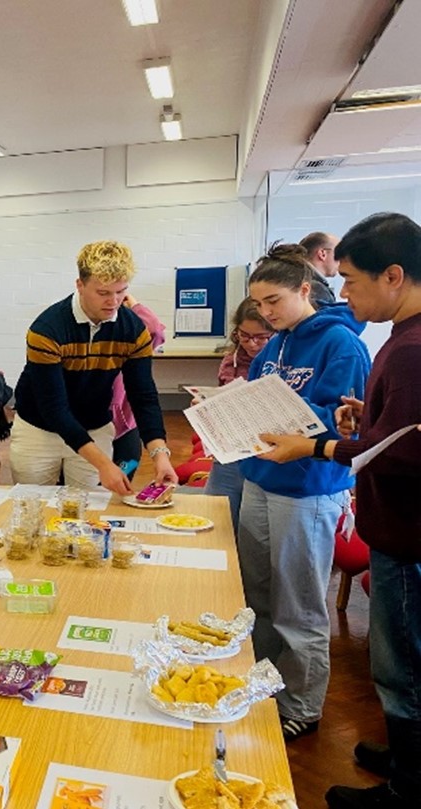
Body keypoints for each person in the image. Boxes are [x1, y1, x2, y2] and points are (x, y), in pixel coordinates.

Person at [259, 213, 421, 809]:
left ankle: (407, 782)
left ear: (395, 275)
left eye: (350, 279)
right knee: (398, 661)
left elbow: (405, 448)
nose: (342, 291)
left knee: (400, 666)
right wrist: (361, 418)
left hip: (397, 526)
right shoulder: (400, 341)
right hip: (387, 521)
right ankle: (405, 757)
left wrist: (323, 442)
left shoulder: (401, 346)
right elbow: (393, 429)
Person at [235, 243, 370, 743]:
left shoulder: (341, 344)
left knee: (299, 602)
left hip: (309, 487)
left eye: (274, 301)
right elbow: (257, 398)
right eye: (259, 304)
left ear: (305, 290)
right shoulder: (275, 345)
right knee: (259, 595)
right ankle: (265, 681)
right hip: (261, 478)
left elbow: (345, 424)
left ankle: (302, 704)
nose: (266, 314)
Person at [10, 241, 176, 495]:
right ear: (80, 285)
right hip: (39, 429)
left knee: (86, 511)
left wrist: (159, 454)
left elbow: (143, 396)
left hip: (94, 425)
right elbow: (54, 408)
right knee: (32, 506)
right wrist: (103, 464)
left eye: (121, 292)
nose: (114, 302)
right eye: (103, 293)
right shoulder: (47, 329)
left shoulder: (133, 330)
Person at [203, 298, 275, 530]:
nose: (252, 344)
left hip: (267, 455)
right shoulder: (230, 362)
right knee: (217, 518)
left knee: (251, 529)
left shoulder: (281, 361)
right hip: (230, 451)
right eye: (244, 336)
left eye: (261, 337)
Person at [109, 294, 166, 480]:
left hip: (126, 428)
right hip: (93, 426)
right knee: (90, 487)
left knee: (124, 475)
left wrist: (133, 304)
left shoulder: (134, 340)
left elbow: (155, 330)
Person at [301, 231, 341, 304]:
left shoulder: (296, 279)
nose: (341, 259)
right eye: (339, 252)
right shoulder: (317, 289)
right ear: (322, 254)